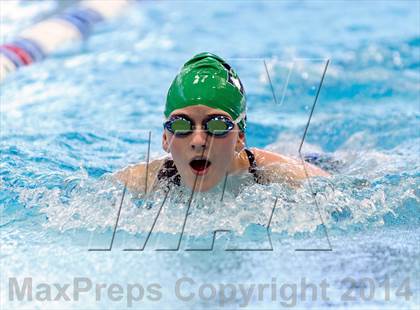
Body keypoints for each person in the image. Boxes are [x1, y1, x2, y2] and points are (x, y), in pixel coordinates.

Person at [115, 52, 329, 193]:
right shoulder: (142, 180)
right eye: (181, 125)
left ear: (240, 137)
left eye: (217, 125)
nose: (198, 140)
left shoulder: (285, 174)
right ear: (164, 138)